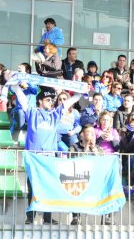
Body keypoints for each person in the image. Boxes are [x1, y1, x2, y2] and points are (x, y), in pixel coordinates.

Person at [11, 84, 85, 225]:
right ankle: (30, 217)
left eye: (52, 100)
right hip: (34, 157)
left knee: (48, 187)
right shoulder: (32, 112)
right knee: (33, 188)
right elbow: (22, 99)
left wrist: (80, 93)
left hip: (49, 158)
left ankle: (47, 217)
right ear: (40, 101)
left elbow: (68, 103)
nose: (51, 102)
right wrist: (15, 85)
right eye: (47, 100)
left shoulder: (55, 114)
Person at [69, 125, 104, 225]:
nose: (92, 135)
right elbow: (72, 161)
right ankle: (76, 216)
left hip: (94, 178)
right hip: (79, 178)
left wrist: (93, 148)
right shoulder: (73, 147)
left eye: (93, 133)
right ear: (82, 135)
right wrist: (85, 148)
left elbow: (101, 162)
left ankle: (106, 218)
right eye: (89, 133)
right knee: (73, 185)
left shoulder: (99, 149)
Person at [9, 63, 38, 133]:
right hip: (20, 109)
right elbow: (11, 89)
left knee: (32, 115)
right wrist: (13, 80)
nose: (19, 72)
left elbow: (35, 90)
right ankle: (21, 133)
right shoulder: (17, 81)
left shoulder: (32, 80)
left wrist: (26, 82)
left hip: (31, 109)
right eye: (18, 71)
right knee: (20, 112)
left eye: (21, 70)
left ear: (27, 71)